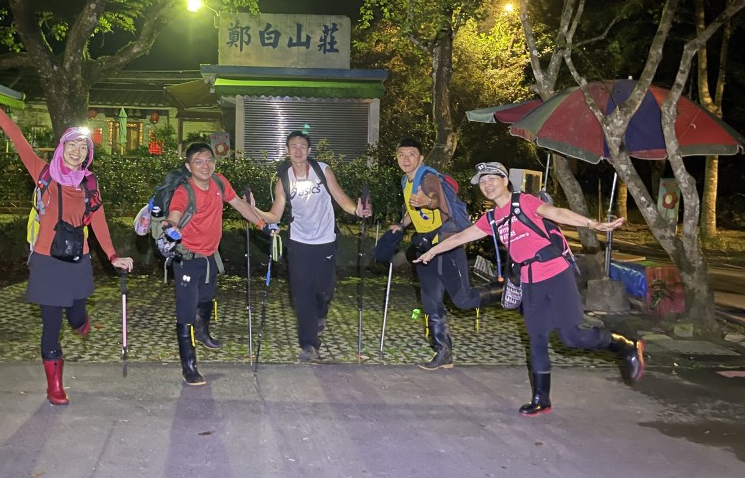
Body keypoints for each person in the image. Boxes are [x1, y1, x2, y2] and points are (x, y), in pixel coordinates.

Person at [416, 161, 645, 416]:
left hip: (556, 273)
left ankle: (625, 345)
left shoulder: (523, 202)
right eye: (482, 181)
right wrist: (432, 251)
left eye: (492, 179)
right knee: (536, 339)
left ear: (505, 180)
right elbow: (461, 236)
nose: (487, 185)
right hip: (530, 281)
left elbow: (556, 213)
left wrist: (593, 224)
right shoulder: (491, 219)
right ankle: (541, 398)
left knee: (571, 337)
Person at [0, 82, 133, 407]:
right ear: (62, 146)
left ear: (88, 153)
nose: (77, 151)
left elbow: (98, 220)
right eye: (72, 144)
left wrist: (113, 255)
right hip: (46, 260)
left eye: (83, 147)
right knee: (51, 325)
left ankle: (81, 321)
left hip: (78, 259)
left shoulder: (89, 183)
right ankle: (55, 386)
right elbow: (18, 139)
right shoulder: (43, 173)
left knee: (75, 315)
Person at [250, 131, 372, 363]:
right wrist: (253, 209)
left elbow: (340, 198)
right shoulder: (284, 180)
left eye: (302, 146)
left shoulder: (322, 170)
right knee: (302, 295)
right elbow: (275, 215)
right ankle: (309, 345)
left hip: (325, 241)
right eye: (293, 147)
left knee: (324, 291)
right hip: (298, 244)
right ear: (287, 151)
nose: (298, 151)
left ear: (309, 150)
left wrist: (356, 210)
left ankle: (319, 316)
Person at [163, 141, 270, 386]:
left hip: (210, 256)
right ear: (188, 166)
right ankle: (189, 366)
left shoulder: (219, 182)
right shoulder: (184, 192)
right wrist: (171, 226)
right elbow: (175, 214)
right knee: (186, 311)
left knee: (207, 297)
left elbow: (239, 204)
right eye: (198, 162)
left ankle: (202, 331)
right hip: (187, 259)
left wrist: (262, 224)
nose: (205, 166)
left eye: (209, 160)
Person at [391, 138, 496, 370]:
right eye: (401, 154)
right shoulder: (405, 180)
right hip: (425, 248)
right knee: (430, 302)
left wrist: (427, 201)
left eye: (411, 154)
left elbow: (434, 199)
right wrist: (402, 224)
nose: (405, 159)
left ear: (421, 158)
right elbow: (412, 209)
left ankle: (504, 289)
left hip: (447, 245)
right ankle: (443, 354)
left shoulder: (428, 177)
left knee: (464, 300)